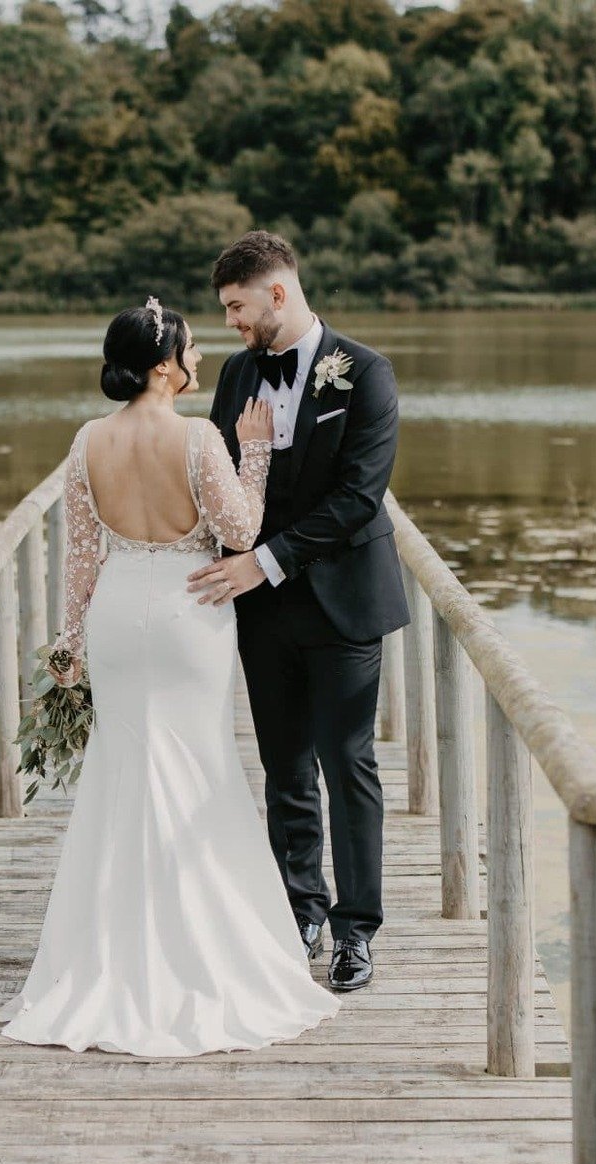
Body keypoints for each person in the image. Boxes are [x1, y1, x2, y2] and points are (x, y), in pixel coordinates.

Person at [0, 297, 340, 1056]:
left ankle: (108, 953)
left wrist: (69, 640)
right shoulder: (200, 438)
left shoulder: (88, 441)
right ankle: (203, 946)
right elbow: (241, 531)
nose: (200, 358)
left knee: (123, 771)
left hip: (118, 612)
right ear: (163, 365)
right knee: (200, 768)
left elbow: (80, 555)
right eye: (190, 347)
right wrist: (254, 454)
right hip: (190, 614)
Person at [187, 231, 410, 993]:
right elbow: (216, 475)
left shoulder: (366, 374)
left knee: (347, 762)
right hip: (262, 612)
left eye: (238, 307)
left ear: (277, 294)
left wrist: (265, 560)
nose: (231, 323)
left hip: (344, 602)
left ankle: (355, 931)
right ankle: (300, 910)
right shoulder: (235, 372)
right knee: (284, 764)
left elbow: (358, 497)